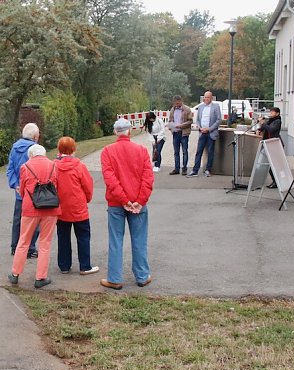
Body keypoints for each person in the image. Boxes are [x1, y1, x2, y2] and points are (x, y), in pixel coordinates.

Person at [100, 118, 155, 290]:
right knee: (139, 239)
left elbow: (110, 179)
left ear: (115, 132)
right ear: (129, 131)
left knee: (115, 240)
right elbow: (148, 178)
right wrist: (139, 201)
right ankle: (142, 275)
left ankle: (115, 278)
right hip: (138, 202)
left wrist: (124, 200)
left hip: (117, 202)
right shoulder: (142, 151)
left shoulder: (107, 151)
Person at [8, 144, 60, 289]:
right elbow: (57, 185)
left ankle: (15, 274)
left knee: (24, 240)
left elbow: (23, 189)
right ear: (44, 154)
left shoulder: (25, 167)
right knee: (45, 243)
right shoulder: (54, 165)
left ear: (31, 155)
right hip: (50, 207)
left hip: (30, 208)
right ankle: (40, 277)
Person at [54, 137, 97, 275]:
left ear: (59, 150)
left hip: (61, 207)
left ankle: (64, 265)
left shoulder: (54, 166)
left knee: (63, 236)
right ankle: (85, 266)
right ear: (74, 149)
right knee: (83, 236)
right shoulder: (79, 166)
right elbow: (88, 186)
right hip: (78, 207)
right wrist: (87, 199)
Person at [7, 123, 40, 258]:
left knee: (18, 219)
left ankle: (15, 246)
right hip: (32, 191)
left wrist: (15, 185)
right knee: (34, 220)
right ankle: (30, 247)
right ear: (34, 136)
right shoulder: (35, 149)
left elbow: (10, 169)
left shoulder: (15, 148)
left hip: (19, 189)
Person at [187, 91, 222, 178]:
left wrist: (209, 129)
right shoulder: (201, 107)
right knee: (199, 151)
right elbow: (198, 119)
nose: (206, 99)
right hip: (202, 132)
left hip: (211, 132)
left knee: (210, 152)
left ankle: (208, 169)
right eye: (205, 97)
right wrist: (200, 127)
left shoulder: (216, 107)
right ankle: (195, 170)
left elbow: (218, 120)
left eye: (208, 97)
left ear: (211, 98)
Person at [166, 96, 193, 175]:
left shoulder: (187, 109)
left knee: (184, 151)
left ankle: (184, 168)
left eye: (178, 103)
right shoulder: (172, 109)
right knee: (176, 152)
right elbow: (170, 120)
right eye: (175, 103)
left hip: (184, 133)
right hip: (175, 133)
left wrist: (181, 125)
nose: (176, 104)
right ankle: (176, 168)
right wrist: (170, 127)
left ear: (181, 101)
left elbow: (190, 121)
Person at [258, 107, 283, 188]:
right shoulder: (270, 120)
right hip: (268, 144)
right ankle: (275, 181)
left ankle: (277, 182)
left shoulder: (277, 121)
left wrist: (263, 123)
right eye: (270, 112)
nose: (271, 113)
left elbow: (271, 130)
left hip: (274, 145)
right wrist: (259, 129)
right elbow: (264, 127)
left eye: (272, 112)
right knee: (269, 165)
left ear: (277, 113)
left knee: (274, 164)